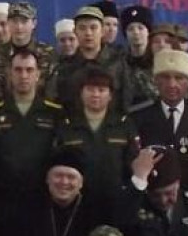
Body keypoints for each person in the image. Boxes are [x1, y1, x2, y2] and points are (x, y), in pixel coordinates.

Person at [0, 47, 64, 229]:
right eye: (18, 70)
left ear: (38, 75)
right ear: (9, 74)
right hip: (4, 202)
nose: (23, 75)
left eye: (29, 70)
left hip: (43, 201)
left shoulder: (54, 113)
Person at [128, 49, 188, 197]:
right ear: (155, 81)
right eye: (165, 77)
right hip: (152, 200)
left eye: (179, 78)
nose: (172, 84)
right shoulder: (137, 116)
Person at [54, 65, 140, 209]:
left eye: (101, 90)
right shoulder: (67, 126)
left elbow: (133, 165)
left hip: (116, 202)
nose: (95, 94)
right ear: (81, 93)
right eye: (90, 89)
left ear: (110, 95)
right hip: (77, 204)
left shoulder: (124, 125)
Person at [47, 6, 131, 113]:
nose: (88, 33)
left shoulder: (119, 63)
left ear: (102, 31)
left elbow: (127, 102)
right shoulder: (64, 67)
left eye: (93, 27)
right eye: (82, 28)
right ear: (75, 32)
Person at [0, 1, 57, 102]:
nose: (19, 27)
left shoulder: (48, 54)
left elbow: (52, 93)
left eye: (24, 21)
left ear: (34, 23)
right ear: (8, 23)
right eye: (14, 21)